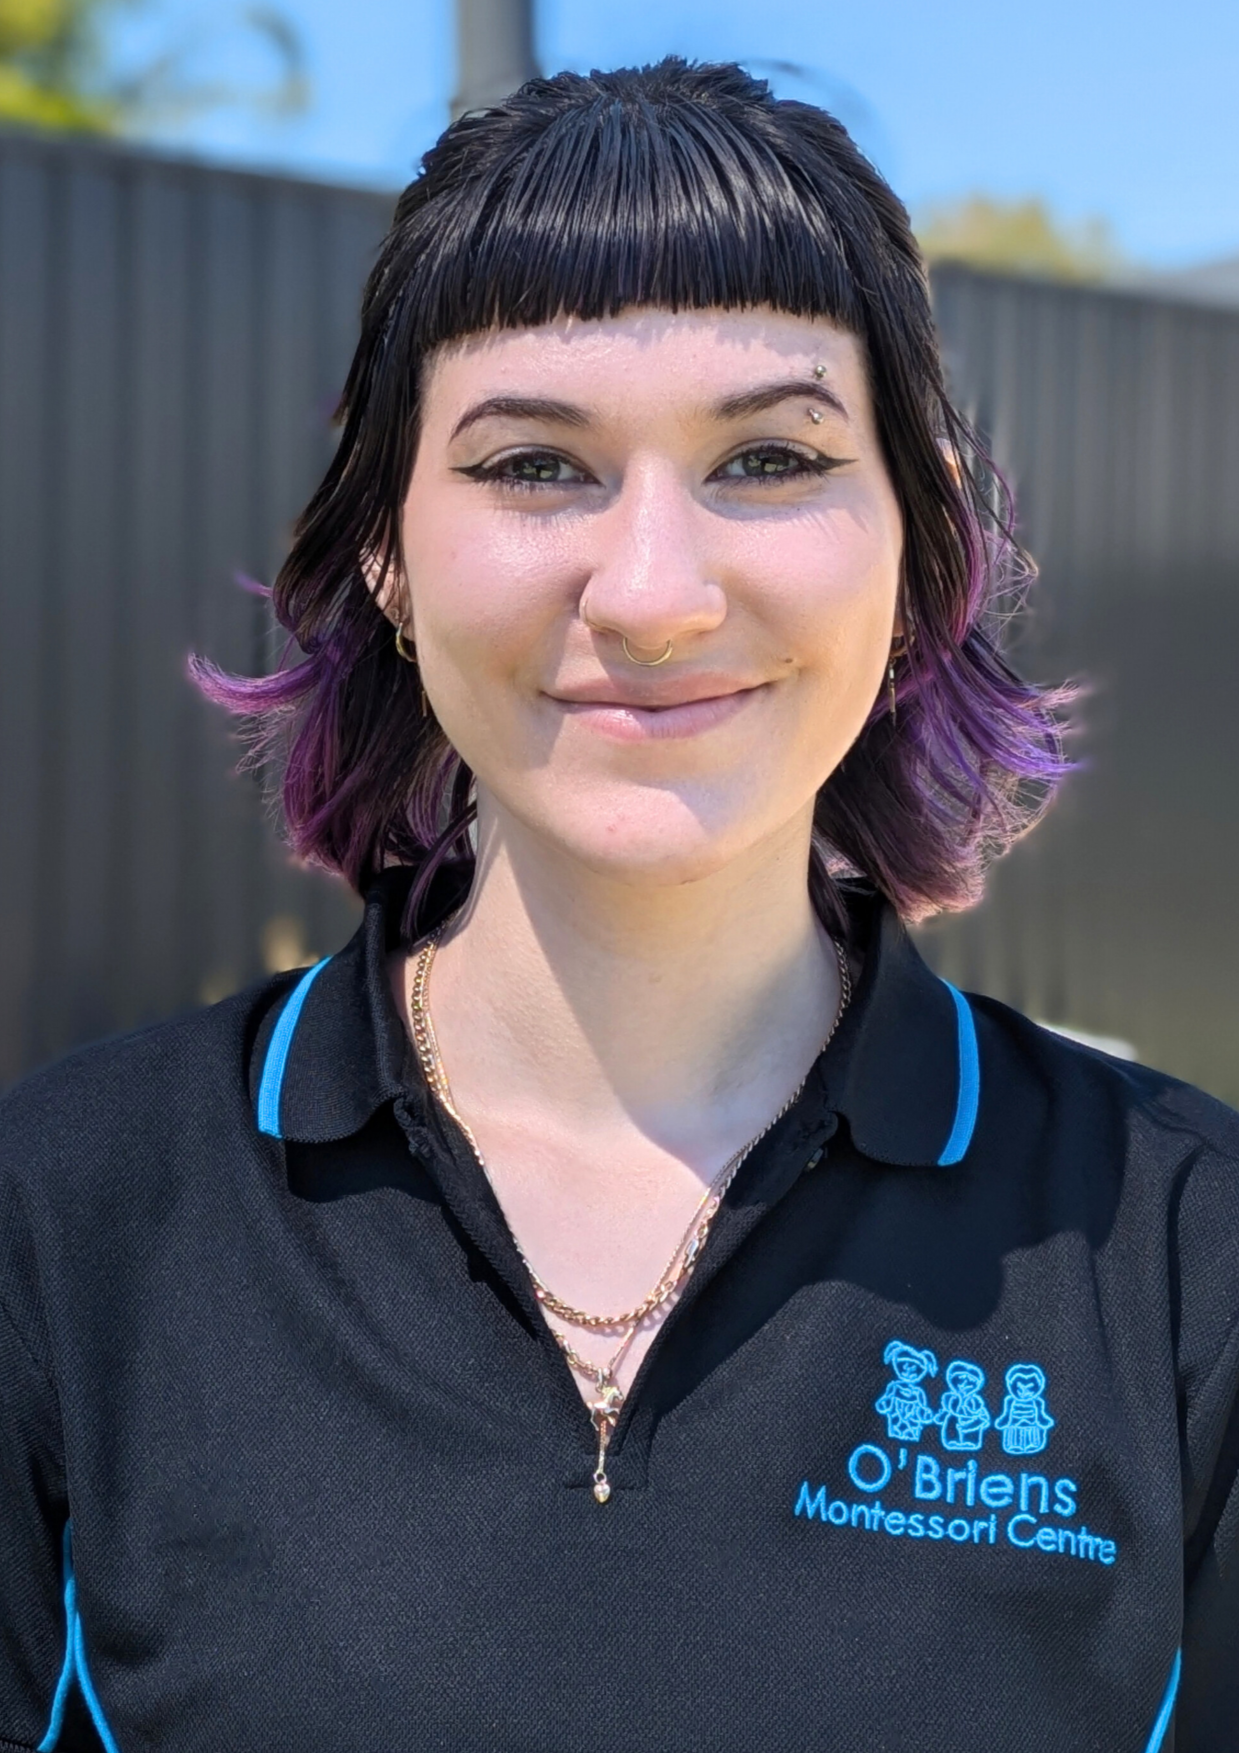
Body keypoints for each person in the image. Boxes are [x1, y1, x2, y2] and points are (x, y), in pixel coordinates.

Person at [1, 58, 1236, 1753]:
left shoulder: (1185, 1250)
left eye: (770, 457)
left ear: (915, 545)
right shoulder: (66, 1214)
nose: (653, 593)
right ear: (388, 551)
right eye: (532, 466)